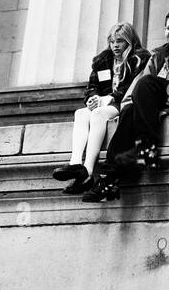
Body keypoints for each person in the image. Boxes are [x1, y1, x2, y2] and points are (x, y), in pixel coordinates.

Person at [83, 12, 169, 202]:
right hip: (152, 102)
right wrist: (128, 105)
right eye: (168, 28)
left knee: (146, 83)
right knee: (130, 110)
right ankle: (109, 179)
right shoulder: (159, 52)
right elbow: (137, 85)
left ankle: (147, 148)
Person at [51, 22, 148, 194]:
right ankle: (75, 163)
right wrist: (92, 98)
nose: (115, 45)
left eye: (120, 41)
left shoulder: (139, 58)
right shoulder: (102, 60)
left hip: (124, 103)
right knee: (81, 113)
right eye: (112, 41)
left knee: (98, 114)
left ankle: (87, 171)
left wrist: (108, 99)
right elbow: (92, 86)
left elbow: (131, 86)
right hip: (104, 103)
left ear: (129, 41)